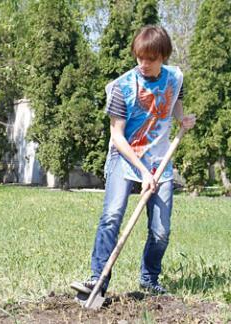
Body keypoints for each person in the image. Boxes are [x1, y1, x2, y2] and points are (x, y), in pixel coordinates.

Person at [73, 26, 196, 296]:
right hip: (125, 157)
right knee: (112, 216)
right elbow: (117, 135)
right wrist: (142, 171)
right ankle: (98, 279)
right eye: (139, 57)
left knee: (161, 230)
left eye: (150, 58)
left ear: (163, 56)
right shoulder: (122, 87)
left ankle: (149, 278)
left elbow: (175, 100)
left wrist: (181, 118)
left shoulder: (175, 77)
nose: (143, 63)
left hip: (159, 162)